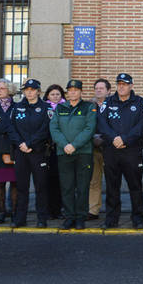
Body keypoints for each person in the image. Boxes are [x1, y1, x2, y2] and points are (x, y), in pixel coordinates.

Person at [96, 73, 143, 230]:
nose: (121, 86)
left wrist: (125, 139)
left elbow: (142, 124)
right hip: (111, 151)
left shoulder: (140, 103)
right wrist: (114, 138)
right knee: (112, 187)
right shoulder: (108, 102)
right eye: (119, 84)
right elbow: (101, 122)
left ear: (131, 86)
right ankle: (111, 219)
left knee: (135, 187)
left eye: (125, 84)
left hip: (131, 151)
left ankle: (138, 219)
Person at [49, 80, 97, 230]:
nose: (73, 92)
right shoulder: (60, 108)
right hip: (64, 152)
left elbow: (90, 128)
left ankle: (80, 217)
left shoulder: (89, 107)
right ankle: (69, 217)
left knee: (82, 186)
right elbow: (54, 129)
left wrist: (74, 145)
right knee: (67, 186)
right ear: (67, 92)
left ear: (81, 92)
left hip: (83, 152)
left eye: (76, 90)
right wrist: (65, 145)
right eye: (70, 90)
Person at [8, 79, 51, 228]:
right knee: (21, 187)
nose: (29, 92)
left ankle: (41, 218)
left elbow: (46, 129)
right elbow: (11, 128)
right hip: (21, 152)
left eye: (32, 90)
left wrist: (30, 143)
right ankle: (20, 218)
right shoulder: (17, 107)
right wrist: (20, 144)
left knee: (41, 187)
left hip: (38, 152)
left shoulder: (46, 108)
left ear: (38, 91)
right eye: (27, 90)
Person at [0, 78, 19, 224]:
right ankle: (2, 212)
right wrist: (8, 125)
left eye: (2, 88)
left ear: (9, 90)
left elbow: (17, 126)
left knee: (15, 183)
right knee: (0, 183)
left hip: (14, 148)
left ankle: (14, 212)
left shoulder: (18, 106)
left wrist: (3, 122)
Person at [88, 78, 111, 221]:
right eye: (96, 88)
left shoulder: (114, 105)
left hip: (110, 148)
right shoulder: (89, 106)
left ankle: (112, 209)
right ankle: (93, 210)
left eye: (101, 88)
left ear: (109, 91)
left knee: (112, 181)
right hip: (94, 148)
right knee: (94, 181)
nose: (98, 90)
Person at [44, 84, 66, 219]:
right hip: (48, 150)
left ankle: (59, 209)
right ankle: (49, 209)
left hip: (62, 148)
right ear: (47, 96)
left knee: (61, 181)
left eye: (58, 94)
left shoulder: (66, 107)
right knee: (48, 181)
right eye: (52, 94)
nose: (55, 97)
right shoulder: (44, 108)